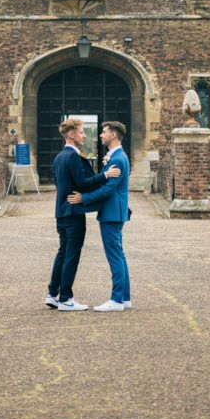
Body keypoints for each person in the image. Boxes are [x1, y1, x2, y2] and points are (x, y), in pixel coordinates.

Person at [47, 118, 121, 312]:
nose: (85, 135)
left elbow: (61, 184)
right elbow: (82, 182)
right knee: (71, 254)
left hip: (61, 212)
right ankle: (66, 299)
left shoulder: (58, 157)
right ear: (71, 135)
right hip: (73, 213)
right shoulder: (72, 156)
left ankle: (52, 294)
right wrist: (105, 175)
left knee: (62, 252)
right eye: (81, 132)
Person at [67, 121, 131, 312]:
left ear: (113, 135)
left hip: (112, 213)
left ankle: (117, 300)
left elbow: (109, 190)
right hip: (113, 212)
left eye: (104, 132)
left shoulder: (118, 159)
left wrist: (83, 199)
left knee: (115, 256)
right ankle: (125, 298)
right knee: (119, 255)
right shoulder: (114, 157)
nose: (100, 135)